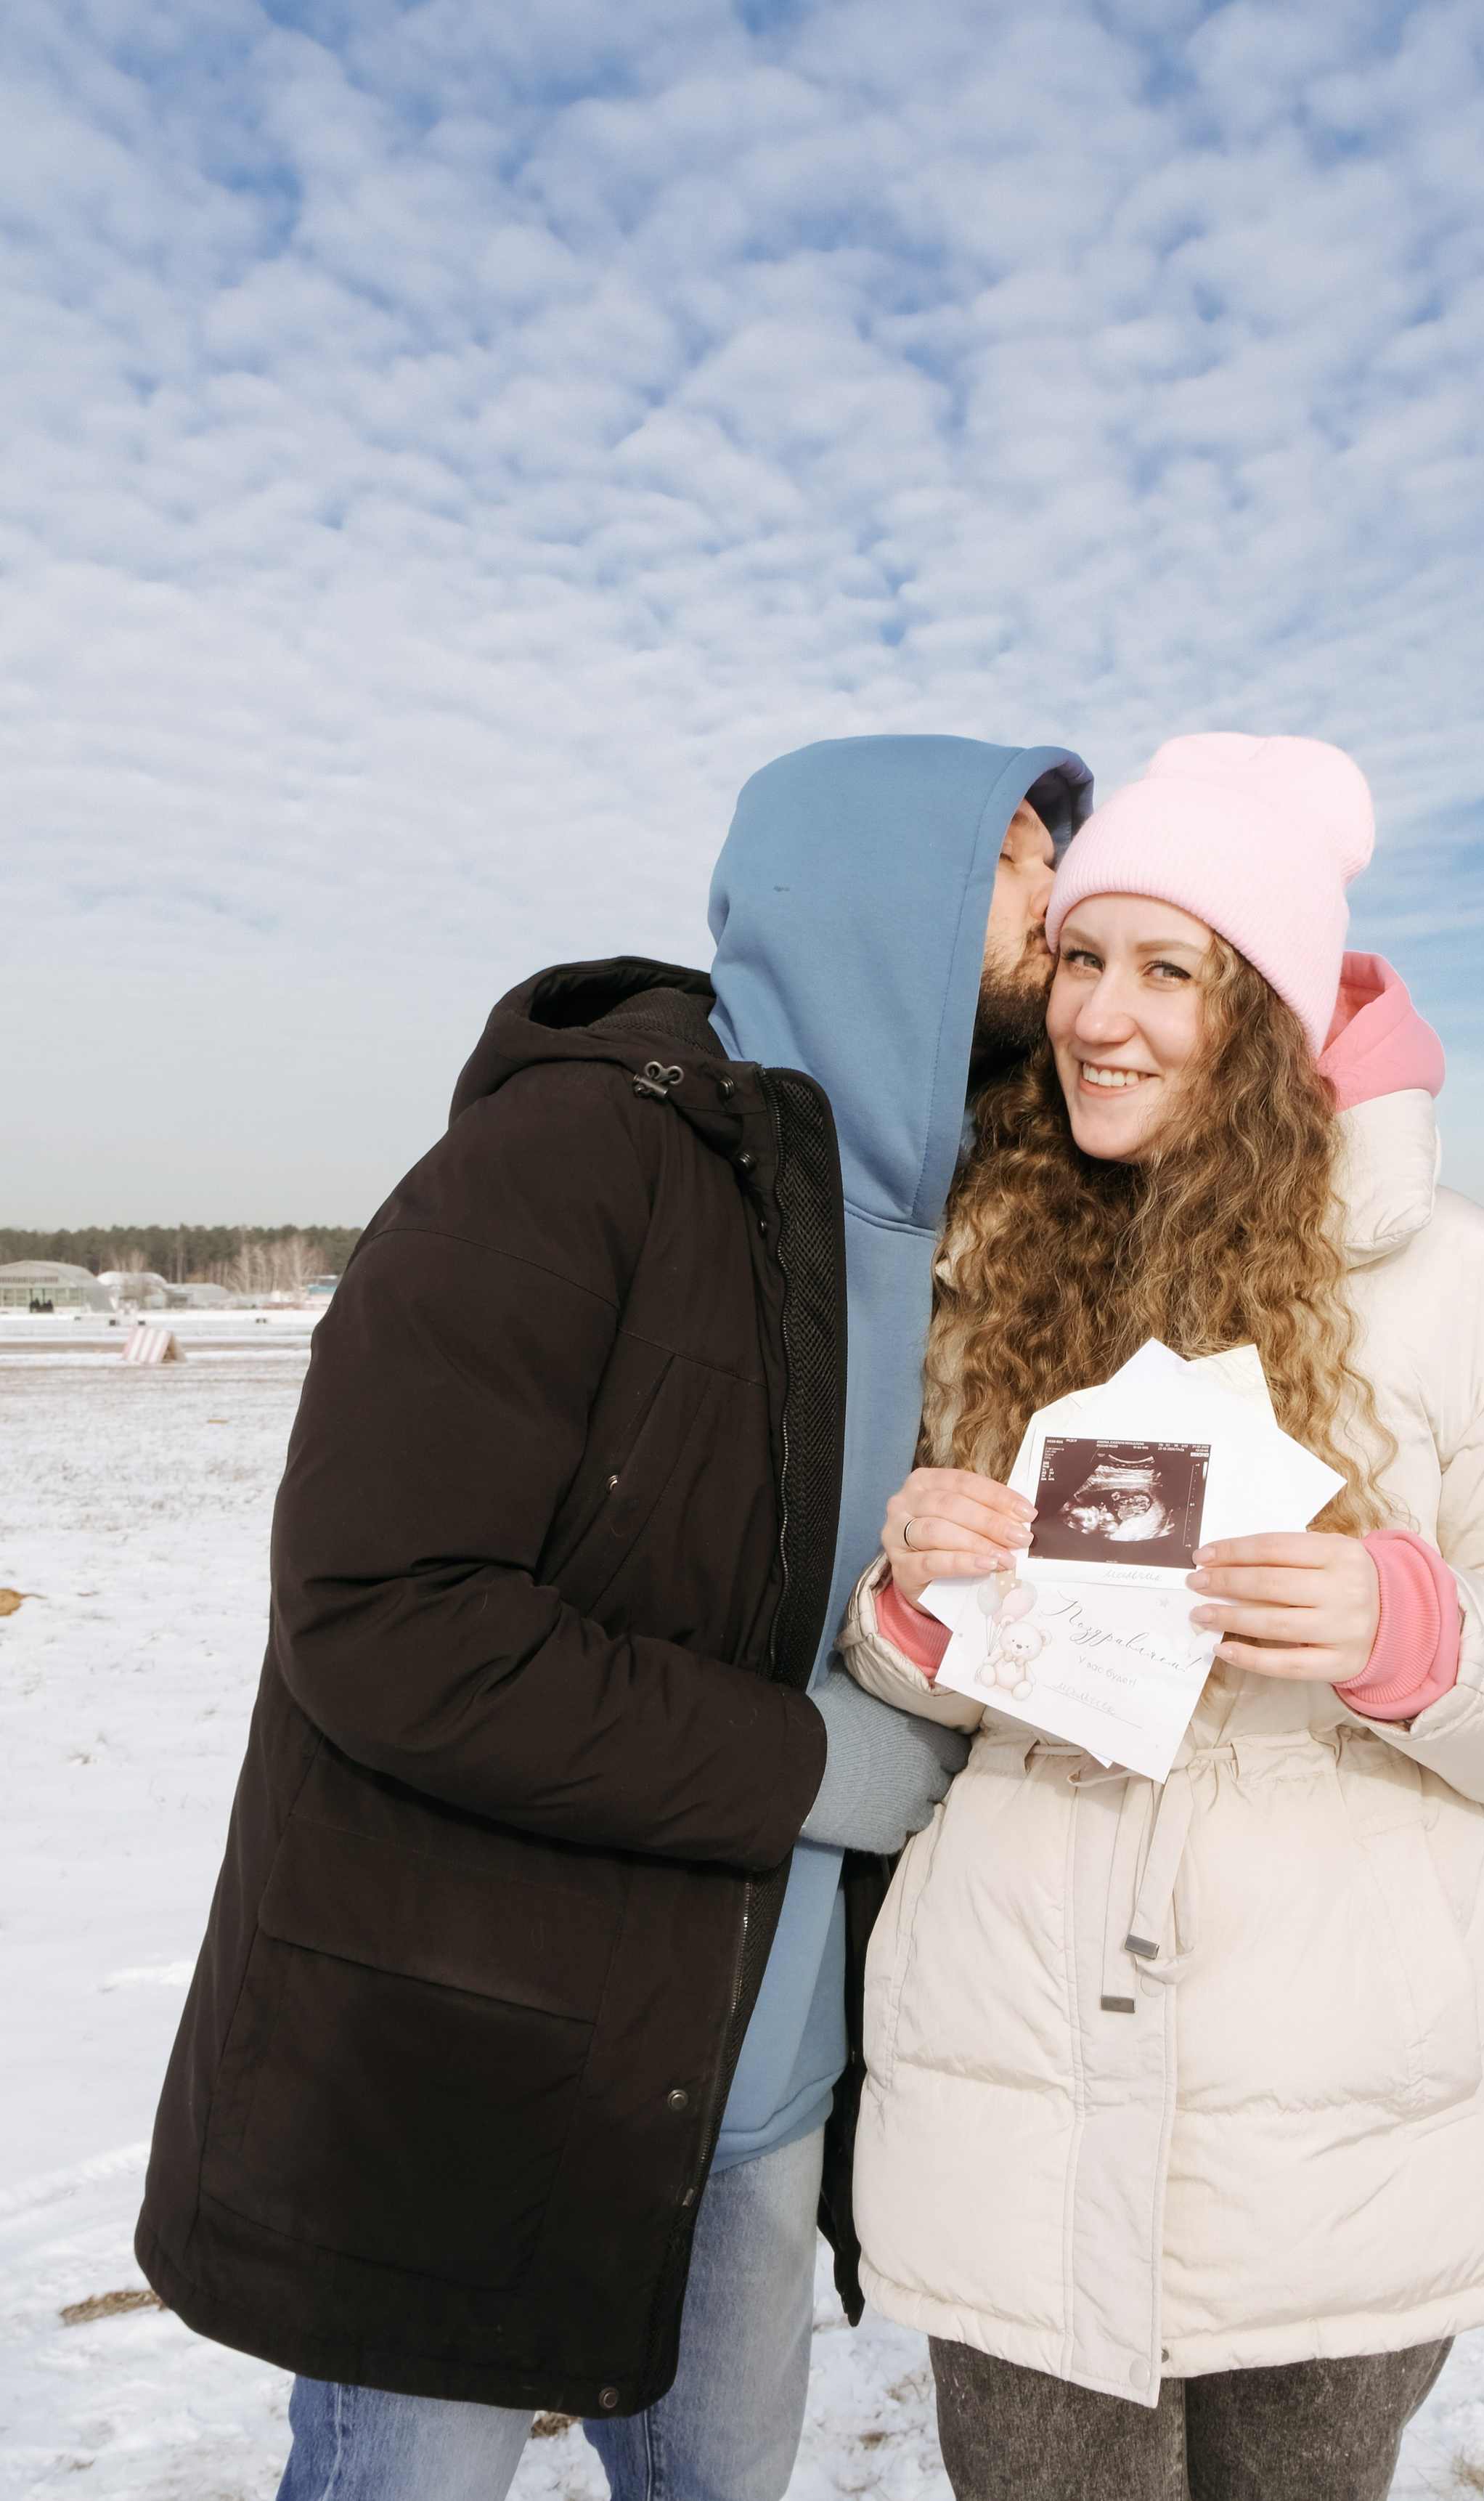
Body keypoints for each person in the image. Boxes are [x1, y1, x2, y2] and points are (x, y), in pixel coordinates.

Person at [134, 732, 1091, 2501]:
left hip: (753, 2086)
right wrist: (814, 1762)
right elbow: (386, 1618)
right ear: (893, 882)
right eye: (1027, 862)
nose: (1067, 901)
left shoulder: (958, 1234)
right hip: (467, 2065)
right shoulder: (573, 1159)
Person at [839, 733, 1484, 2501]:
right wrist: (912, 1610)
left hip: (1336, 2141)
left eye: (1169, 972)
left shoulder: (1460, 1289)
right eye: (1078, 957)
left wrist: (1412, 1631)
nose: (1097, 1015)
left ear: (1273, 1020)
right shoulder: (988, 1265)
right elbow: (920, 1670)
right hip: (1016, 2109)